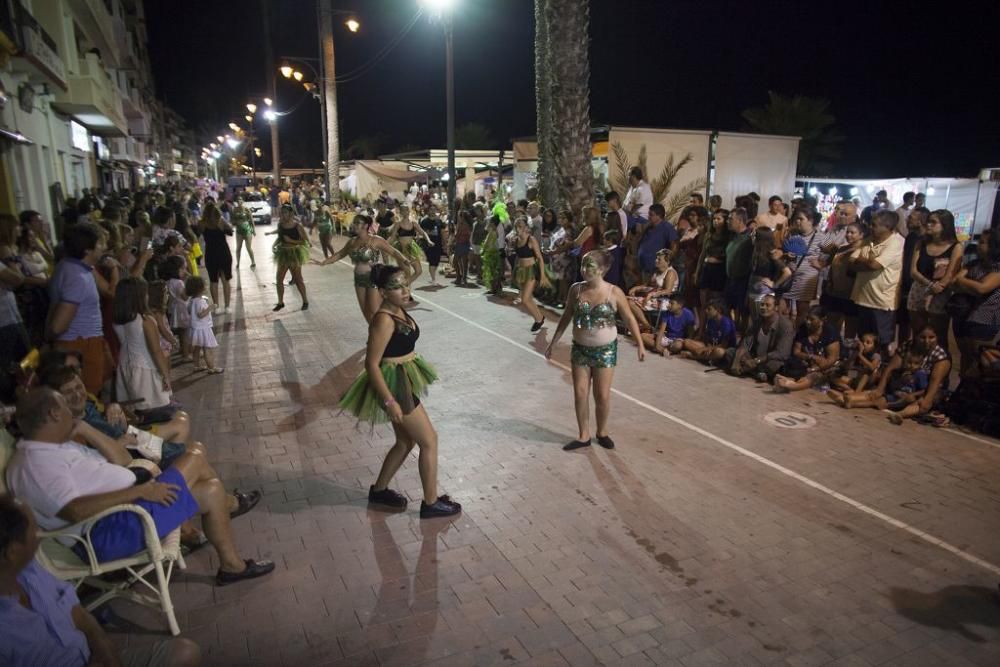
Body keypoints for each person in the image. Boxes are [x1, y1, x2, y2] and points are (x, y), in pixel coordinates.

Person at [6, 388, 274, 586]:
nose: (72, 411)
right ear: (54, 413)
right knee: (194, 456)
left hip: (129, 511)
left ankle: (232, 566)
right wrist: (141, 491)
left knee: (211, 489)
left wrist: (85, 428)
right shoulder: (36, 463)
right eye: (65, 407)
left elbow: (122, 459)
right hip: (111, 530)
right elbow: (74, 511)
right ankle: (232, 505)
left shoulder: (57, 445)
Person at [0, 494, 203, 666]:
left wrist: (102, 644)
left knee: (184, 652)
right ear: (13, 551)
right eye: (33, 531)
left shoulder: (30, 570)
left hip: (92, 656)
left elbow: (74, 608)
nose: (39, 536)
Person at [338, 265, 461, 518]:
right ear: (383, 292)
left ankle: (379, 490)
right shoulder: (383, 320)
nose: (405, 290)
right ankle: (430, 503)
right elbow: (371, 364)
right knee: (430, 441)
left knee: (405, 441)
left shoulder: (399, 308)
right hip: (395, 386)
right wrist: (390, 400)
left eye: (406, 284)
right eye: (397, 287)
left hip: (403, 377)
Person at [546, 250, 646, 451]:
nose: (584, 270)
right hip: (580, 350)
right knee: (580, 393)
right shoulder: (576, 290)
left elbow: (629, 318)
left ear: (602, 269)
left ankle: (602, 432)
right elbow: (566, 316)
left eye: (589, 266)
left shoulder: (614, 292)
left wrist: (640, 344)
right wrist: (554, 341)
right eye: (582, 265)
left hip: (605, 351)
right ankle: (583, 435)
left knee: (602, 396)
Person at [831, 326, 951, 425]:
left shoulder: (940, 356)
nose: (926, 341)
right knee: (878, 395)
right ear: (916, 337)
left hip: (924, 391)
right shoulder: (908, 346)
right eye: (922, 337)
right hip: (902, 385)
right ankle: (851, 400)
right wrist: (880, 389)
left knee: (920, 403)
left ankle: (900, 415)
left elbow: (935, 382)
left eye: (931, 337)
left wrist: (926, 400)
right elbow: (890, 368)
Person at [47, 223, 113, 396]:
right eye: (100, 243)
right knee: (87, 396)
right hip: (80, 345)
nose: (104, 247)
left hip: (83, 342)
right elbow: (58, 325)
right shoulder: (77, 277)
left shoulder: (68, 265)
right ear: (87, 250)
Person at [312, 215, 413, 323]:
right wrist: (324, 262)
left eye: (357, 223)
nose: (354, 225)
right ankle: (375, 332)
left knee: (375, 311)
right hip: (359, 279)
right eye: (354, 222)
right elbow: (340, 254)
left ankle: (387, 331)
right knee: (366, 311)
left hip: (373, 278)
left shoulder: (375, 240)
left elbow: (392, 251)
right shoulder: (352, 242)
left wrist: (404, 260)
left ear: (365, 225)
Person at [112, 277, 173, 414]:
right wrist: (165, 375)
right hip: (145, 368)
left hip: (124, 366)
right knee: (154, 409)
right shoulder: (145, 320)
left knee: (134, 410)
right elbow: (156, 351)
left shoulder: (118, 320)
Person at [850, 209, 904, 355]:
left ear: (888, 227)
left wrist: (865, 261)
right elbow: (852, 262)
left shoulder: (896, 243)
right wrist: (868, 262)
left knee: (882, 342)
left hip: (882, 302)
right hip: (862, 298)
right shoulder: (869, 240)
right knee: (864, 341)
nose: (870, 227)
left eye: (874, 225)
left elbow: (875, 266)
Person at [906, 209, 963, 345]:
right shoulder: (921, 242)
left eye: (933, 222)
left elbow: (950, 273)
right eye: (928, 221)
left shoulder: (956, 246)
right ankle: (917, 363)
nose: (928, 225)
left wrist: (935, 290)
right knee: (918, 333)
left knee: (938, 335)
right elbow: (913, 271)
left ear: (945, 225)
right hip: (919, 289)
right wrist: (930, 285)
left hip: (940, 293)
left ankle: (939, 364)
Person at [951, 226, 1000, 375]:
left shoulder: (997, 268)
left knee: (979, 358)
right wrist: (969, 285)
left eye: (983, 242)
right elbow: (954, 281)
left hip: (983, 319)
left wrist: (963, 282)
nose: (979, 245)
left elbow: (983, 288)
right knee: (965, 356)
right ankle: (963, 388)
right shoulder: (973, 264)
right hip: (963, 315)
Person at [725, 294, 794, 382]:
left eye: (767, 305)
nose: (763, 307)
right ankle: (756, 372)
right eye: (762, 304)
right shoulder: (758, 321)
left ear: (776, 307)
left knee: (776, 365)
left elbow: (782, 353)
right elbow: (745, 343)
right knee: (730, 352)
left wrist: (757, 360)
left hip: (769, 360)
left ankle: (749, 370)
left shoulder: (786, 325)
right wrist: (736, 361)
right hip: (755, 357)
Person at [772, 307, 842, 393]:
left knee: (813, 376)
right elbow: (796, 351)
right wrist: (811, 357)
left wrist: (815, 369)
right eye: (807, 318)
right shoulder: (803, 329)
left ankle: (790, 386)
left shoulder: (830, 333)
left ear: (822, 320)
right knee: (797, 371)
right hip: (808, 364)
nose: (808, 322)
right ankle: (788, 382)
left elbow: (831, 360)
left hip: (828, 368)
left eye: (812, 319)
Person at [782, 209, 827, 328]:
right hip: (789, 275)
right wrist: (787, 255)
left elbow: (831, 253)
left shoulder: (821, 237)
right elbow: (783, 251)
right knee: (783, 308)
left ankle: (797, 335)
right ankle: (785, 334)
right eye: (796, 218)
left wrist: (821, 264)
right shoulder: (792, 234)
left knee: (802, 309)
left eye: (801, 219)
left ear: (811, 221)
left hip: (807, 278)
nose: (797, 221)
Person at [266, 203, 309, 311]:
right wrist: (274, 245)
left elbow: (304, 241)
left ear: (290, 214)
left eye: (284, 213)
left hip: (294, 253)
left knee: (298, 279)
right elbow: (281, 238)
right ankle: (280, 302)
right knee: (279, 279)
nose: (282, 215)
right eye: (281, 213)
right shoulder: (280, 225)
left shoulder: (297, 226)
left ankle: (305, 300)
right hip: (283, 253)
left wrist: (291, 241)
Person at [512, 217, 551, 332]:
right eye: (516, 226)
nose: (517, 228)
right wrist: (516, 271)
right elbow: (518, 258)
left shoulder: (531, 240)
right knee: (528, 298)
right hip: (522, 271)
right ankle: (539, 318)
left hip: (531, 271)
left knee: (524, 299)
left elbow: (539, 258)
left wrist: (543, 275)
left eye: (520, 226)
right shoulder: (516, 240)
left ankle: (539, 320)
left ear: (526, 228)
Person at [695, 208, 731, 326]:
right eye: (714, 218)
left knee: (716, 304)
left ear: (725, 220)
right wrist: (697, 271)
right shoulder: (709, 235)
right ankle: (701, 329)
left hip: (719, 272)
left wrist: (717, 260)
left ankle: (716, 329)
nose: (715, 221)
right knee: (703, 303)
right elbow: (702, 254)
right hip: (706, 270)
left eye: (719, 219)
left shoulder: (729, 236)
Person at [627, 248, 678, 331]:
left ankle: (646, 325)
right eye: (656, 258)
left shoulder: (670, 273)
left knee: (630, 303)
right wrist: (636, 288)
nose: (656, 260)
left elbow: (668, 291)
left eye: (659, 259)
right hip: (653, 298)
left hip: (663, 301)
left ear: (667, 262)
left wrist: (652, 294)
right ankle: (643, 325)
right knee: (626, 298)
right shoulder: (657, 271)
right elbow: (647, 285)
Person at [747, 227, 791, 320]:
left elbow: (787, 272)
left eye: (754, 235)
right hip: (753, 288)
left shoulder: (772, 253)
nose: (752, 236)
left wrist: (775, 284)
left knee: (762, 319)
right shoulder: (756, 251)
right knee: (754, 318)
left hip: (763, 291)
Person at [198, 202, 233, 314]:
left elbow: (198, 234)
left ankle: (216, 307)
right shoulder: (221, 221)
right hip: (223, 253)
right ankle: (227, 306)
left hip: (210, 254)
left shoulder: (202, 223)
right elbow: (230, 231)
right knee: (225, 280)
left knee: (213, 281)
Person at [679, 299, 737, 364]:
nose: (706, 311)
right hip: (711, 347)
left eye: (709, 309)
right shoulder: (710, 321)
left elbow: (724, 345)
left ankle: (693, 356)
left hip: (723, 349)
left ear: (718, 310)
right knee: (687, 342)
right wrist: (708, 348)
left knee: (719, 352)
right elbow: (708, 339)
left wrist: (706, 349)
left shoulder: (726, 323)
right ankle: (709, 358)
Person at [724, 207, 754, 331]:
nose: (728, 221)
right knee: (727, 308)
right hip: (730, 279)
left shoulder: (750, 238)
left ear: (740, 221)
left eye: (731, 219)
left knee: (743, 312)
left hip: (743, 280)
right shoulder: (733, 236)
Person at [185, 276, 221, 374]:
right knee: (207, 348)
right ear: (200, 288)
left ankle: (196, 366)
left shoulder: (191, 300)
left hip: (194, 328)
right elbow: (200, 314)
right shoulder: (200, 301)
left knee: (197, 348)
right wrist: (211, 308)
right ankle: (211, 367)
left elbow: (189, 311)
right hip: (203, 328)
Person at [636, 204, 679, 283]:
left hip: (656, 269)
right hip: (644, 268)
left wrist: (667, 261)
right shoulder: (649, 227)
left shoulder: (667, 227)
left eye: (651, 215)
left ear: (659, 216)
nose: (649, 217)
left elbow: (674, 244)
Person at [388, 209, 432, 284]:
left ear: (408, 211)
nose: (404, 212)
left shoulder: (413, 223)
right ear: (400, 212)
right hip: (402, 250)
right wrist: (384, 245)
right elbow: (392, 237)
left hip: (411, 249)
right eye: (402, 210)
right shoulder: (398, 224)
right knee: (407, 273)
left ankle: (403, 285)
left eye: (405, 210)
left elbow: (423, 232)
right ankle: (406, 290)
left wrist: (428, 240)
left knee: (418, 271)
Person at [232, 197, 256, 268]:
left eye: (240, 200)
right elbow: (232, 220)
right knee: (238, 247)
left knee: (248, 247)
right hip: (239, 231)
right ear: (236, 202)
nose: (239, 202)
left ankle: (253, 261)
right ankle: (238, 263)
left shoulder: (247, 209)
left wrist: (254, 230)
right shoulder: (234, 210)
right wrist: (235, 222)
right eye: (238, 200)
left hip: (247, 230)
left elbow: (251, 220)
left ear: (242, 201)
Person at [451, 209, 472, 286]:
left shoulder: (462, 225)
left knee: (455, 261)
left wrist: (453, 240)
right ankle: (464, 278)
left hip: (460, 244)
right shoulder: (468, 225)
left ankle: (459, 277)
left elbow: (457, 235)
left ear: (462, 217)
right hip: (466, 244)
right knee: (464, 262)